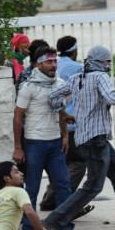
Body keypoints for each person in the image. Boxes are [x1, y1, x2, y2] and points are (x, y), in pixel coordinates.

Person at [42, 45, 115, 230]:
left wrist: (63, 112)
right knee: (93, 186)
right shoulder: (100, 77)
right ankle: (55, 220)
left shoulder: (77, 78)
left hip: (86, 139)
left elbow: (52, 97)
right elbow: (112, 98)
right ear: (99, 62)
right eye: (107, 62)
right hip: (96, 141)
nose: (109, 65)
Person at [12, 47, 76, 230]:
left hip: (55, 143)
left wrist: (64, 136)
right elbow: (17, 117)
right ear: (38, 64)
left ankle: (65, 226)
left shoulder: (60, 83)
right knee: (31, 187)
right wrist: (18, 147)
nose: (53, 65)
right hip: (34, 144)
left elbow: (61, 112)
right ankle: (29, 228)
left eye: (55, 61)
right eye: (49, 62)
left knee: (63, 186)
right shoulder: (28, 86)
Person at [39, 35, 89, 217]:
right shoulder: (79, 68)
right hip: (71, 124)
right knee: (78, 163)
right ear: (74, 51)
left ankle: (49, 199)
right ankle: (59, 200)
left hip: (53, 123)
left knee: (61, 164)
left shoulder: (52, 65)